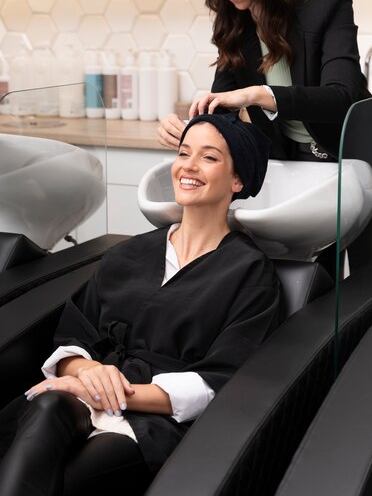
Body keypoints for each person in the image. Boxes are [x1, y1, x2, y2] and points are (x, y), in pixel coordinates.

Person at [0, 113, 280, 496]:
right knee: (48, 408)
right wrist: (87, 370)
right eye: (184, 152)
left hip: (154, 420)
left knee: (68, 477)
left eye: (209, 157)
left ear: (238, 180)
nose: (189, 166)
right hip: (81, 395)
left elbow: (218, 381)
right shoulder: (128, 253)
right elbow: (73, 334)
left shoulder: (250, 275)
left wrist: (106, 391)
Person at [158, 0, 372, 275]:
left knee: (371, 284)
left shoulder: (327, 5)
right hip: (301, 167)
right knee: (313, 282)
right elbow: (223, 111)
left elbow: (341, 96)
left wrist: (260, 94)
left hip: (370, 162)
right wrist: (186, 129)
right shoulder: (235, 21)